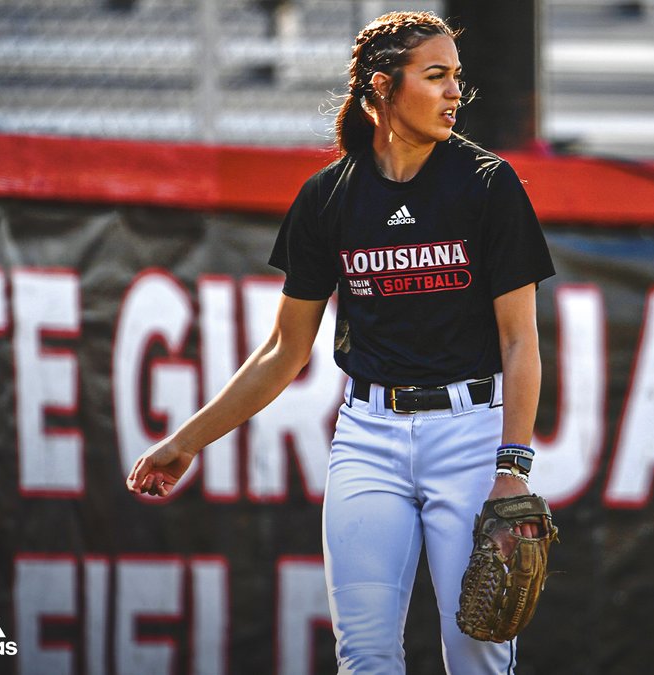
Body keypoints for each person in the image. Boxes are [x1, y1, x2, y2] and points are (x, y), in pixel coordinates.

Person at [126, 11, 555, 674]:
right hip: (369, 438)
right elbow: (283, 352)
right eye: (435, 76)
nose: (453, 94)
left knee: (476, 651)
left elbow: (520, 341)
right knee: (364, 654)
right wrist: (187, 440)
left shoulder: (487, 184)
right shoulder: (327, 198)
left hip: (470, 435)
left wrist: (513, 468)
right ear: (383, 88)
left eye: (457, 79)